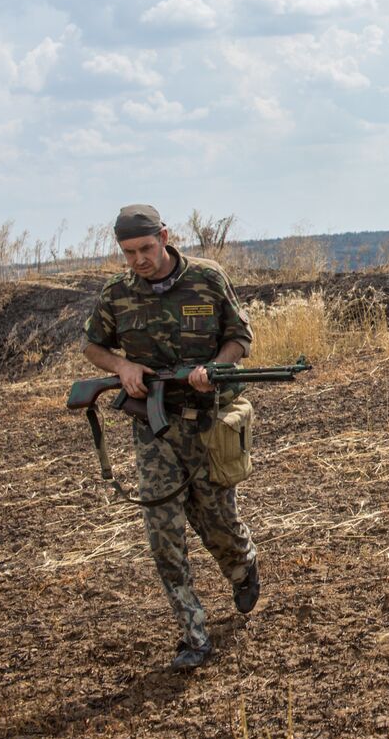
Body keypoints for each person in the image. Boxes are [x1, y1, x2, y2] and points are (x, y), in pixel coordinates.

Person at [82, 204, 258, 671]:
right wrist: (121, 366)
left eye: (144, 248)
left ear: (164, 236)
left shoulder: (207, 277)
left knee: (216, 517)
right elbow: (91, 345)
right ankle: (193, 633)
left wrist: (215, 367)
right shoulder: (116, 294)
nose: (138, 260)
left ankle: (241, 565)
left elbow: (240, 337)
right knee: (163, 533)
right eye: (128, 252)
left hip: (208, 420)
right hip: (153, 426)